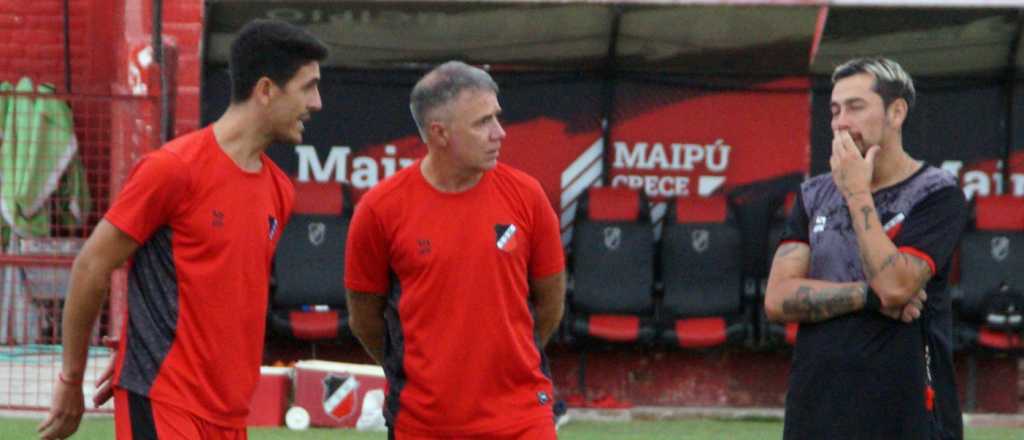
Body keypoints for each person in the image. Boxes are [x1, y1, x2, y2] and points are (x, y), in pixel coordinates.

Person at [38, 19, 326, 440]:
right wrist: (70, 378)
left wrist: (140, 346)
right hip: (166, 401)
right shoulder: (173, 170)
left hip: (229, 414)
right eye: (308, 87)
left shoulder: (279, 190)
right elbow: (91, 267)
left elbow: (217, 291)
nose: (317, 103)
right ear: (265, 90)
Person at [345, 61, 566, 440]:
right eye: (482, 122)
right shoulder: (381, 208)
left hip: (523, 419)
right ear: (439, 133)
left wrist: (507, 365)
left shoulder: (527, 196)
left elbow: (551, 303)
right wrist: (423, 374)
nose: (499, 133)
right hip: (423, 424)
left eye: (497, 117)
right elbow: (364, 317)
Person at [765, 57, 966, 439]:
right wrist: (867, 297)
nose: (841, 122)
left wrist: (857, 191)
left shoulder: (937, 193)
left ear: (896, 112)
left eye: (856, 107)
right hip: (817, 409)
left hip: (907, 412)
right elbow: (777, 298)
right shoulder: (813, 195)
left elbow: (895, 286)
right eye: (835, 110)